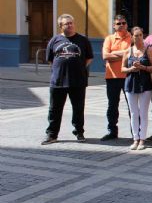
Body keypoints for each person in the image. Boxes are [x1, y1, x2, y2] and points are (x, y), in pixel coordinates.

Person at [41, 14, 94, 144]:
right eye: (66, 24)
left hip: (78, 81)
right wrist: (60, 69)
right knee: (54, 109)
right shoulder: (54, 40)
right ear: (61, 26)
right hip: (58, 81)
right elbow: (50, 60)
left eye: (71, 23)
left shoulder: (83, 40)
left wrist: (79, 67)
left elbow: (89, 58)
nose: (70, 25)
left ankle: (79, 132)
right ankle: (52, 135)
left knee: (78, 109)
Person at [121, 26, 152, 151]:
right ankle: (135, 138)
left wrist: (143, 67)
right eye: (136, 36)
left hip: (145, 84)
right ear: (132, 37)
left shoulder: (148, 50)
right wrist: (131, 69)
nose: (139, 38)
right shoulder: (128, 51)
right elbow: (122, 69)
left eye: (141, 35)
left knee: (143, 112)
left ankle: (142, 139)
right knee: (133, 113)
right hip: (131, 83)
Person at [101, 14, 132, 141]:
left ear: (127, 24)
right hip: (112, 77)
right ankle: (112, 131)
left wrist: (114, 53)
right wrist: (125, 53)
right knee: (112, 105)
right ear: (114, 26)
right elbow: (105, 56)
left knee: (132, 106)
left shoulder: (132, 38)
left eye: (123, 23)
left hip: (128, 76)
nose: (121, 25)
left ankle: (135, 132)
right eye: (118, 23)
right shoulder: (109, 39)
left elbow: (133, 54)